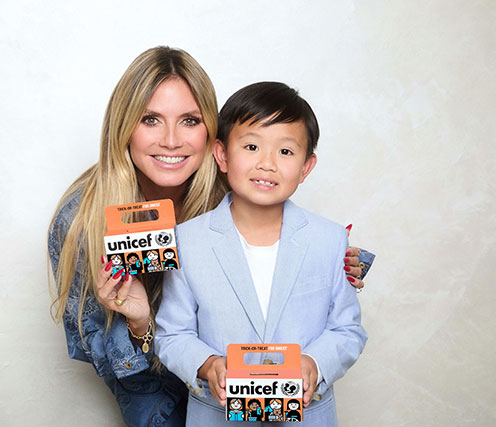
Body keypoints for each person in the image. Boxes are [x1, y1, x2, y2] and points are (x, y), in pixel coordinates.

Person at [48, 47, 372, 426]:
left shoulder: (238, 187)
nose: (171, 140)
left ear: (212, 136)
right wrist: (142, 326)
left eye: (189, 120)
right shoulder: (82, 221)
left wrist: (340, 262)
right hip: (169, 398)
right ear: (123, 126)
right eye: (150, 119)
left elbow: (311, 292)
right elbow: (127, 367)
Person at [154, 82, 368, 426]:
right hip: (216, 416)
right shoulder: (187, 240)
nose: (267, 164)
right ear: (222, 155)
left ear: (306, 167)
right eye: (252, 146)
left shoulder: (329, 239)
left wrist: (315, 363)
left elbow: (348, 330)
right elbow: (172, 334)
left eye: (285, 152)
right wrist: (208, 364)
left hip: (308, 416)